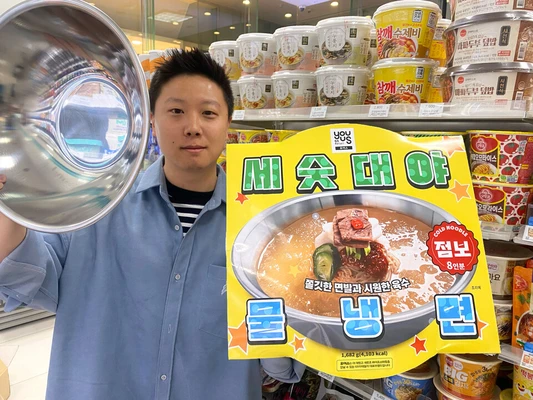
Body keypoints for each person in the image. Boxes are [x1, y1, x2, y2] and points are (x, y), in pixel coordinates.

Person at [0, 49, 304, 399]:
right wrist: (9, 199)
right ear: (152, 121)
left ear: (228, 124)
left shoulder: (259, 230)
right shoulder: (97, 206)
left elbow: (280, 365)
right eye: (176, 111)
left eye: (208, 113)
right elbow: (24, 275)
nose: (193, 127)